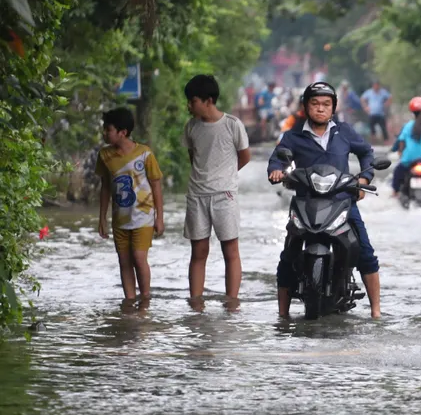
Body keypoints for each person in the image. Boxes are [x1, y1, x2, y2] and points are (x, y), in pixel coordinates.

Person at [267, 81, 382, 319]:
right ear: (306, 106)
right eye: (315, 103)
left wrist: (364, 178)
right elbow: (277, 158)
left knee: (365, 253)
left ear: (333, 108)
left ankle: (376, 312)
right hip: (305, 203)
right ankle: (282, 316)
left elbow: (366, 153)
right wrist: (276, 171)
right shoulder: (293, 136)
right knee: (287, 256)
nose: (320, 108)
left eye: (326, 104)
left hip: (342, 201)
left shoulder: (344, 132)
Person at [182, 74, 252, 303]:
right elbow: (193, 157)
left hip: (225, 194)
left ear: (208, 100)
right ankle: (196, 303)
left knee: (230, 250)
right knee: (198, 252)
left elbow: (245, 157)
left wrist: (226, 176)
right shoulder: (191, 127)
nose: (189, 106)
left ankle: (232, 302)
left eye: (193, 101)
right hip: (197, 195)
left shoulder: (232, 125)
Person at [95, 107, 165, 300]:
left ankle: (144, 299)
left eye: (108, 129)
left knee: (139, 258)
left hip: (143, 216)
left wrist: (160, 217)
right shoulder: (104, 156)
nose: (104, 133)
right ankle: (129, 302)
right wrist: (102, 218)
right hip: (120, 219)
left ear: (122, 132)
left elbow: (156, 185)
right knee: (124, 261)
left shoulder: (145, 154)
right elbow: (106, 188)